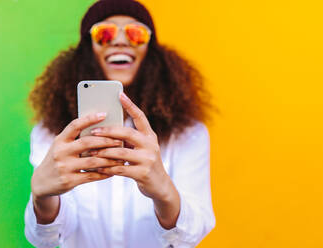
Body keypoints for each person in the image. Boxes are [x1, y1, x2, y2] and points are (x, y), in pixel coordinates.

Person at [24, 0, 215, 247]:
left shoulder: (189, 134)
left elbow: (192, 235)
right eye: (105, 33)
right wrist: (43, 197)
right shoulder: (50, 134)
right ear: (87, 50)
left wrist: (165, 193)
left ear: (151, 51)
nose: (121, 41)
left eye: (136, 34)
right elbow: (47, 239)